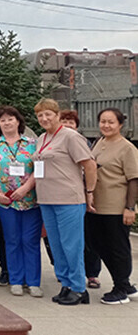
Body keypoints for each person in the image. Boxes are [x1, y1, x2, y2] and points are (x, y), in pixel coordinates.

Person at [32, 98, 97, 306]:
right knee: (57, 246)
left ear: (57, 115)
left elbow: (90, 165)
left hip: (68, 198)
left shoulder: (70, 136)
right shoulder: (42, 138)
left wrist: (89, 191)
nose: (44, 118)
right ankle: (66, 284)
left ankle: (79, 288)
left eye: (48, 114)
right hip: (46, 199)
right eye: (40, 115)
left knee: (72, 245)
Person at [0, 107, 42, 297]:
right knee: (12, 240)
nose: (7, 123)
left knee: (30, 241)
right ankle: (16, 279)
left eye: (10, 119)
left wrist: (26, 188)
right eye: (3, 121)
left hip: (30, 200)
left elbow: (39, 169)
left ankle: (33, 282)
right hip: (5, 201)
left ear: (18, 121)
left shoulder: (32, 144)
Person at [85, 108, 138, 304]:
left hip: (116, 206)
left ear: (120, 124)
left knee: (118, 247)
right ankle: (125, 283)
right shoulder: (100, 142)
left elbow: (134, 179)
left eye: (111, 122)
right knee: (97, 243)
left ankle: (121, 286)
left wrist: (130, 208)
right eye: (103, 122)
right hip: (96, 205)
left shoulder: (127, 148)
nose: (106, 125)